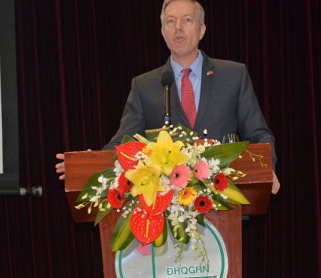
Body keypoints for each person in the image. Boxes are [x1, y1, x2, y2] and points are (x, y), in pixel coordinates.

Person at [56, 0, 280, 194]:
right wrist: (90, 163)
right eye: (170, 22)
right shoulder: (144, 86)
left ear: (202, 30)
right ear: (163, 32)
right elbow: (123, 144)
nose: (178, 28)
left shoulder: (233, 75)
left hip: (224, 198)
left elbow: (259, 134)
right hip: (166, 209)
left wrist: (267, 168)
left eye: (187, 20)